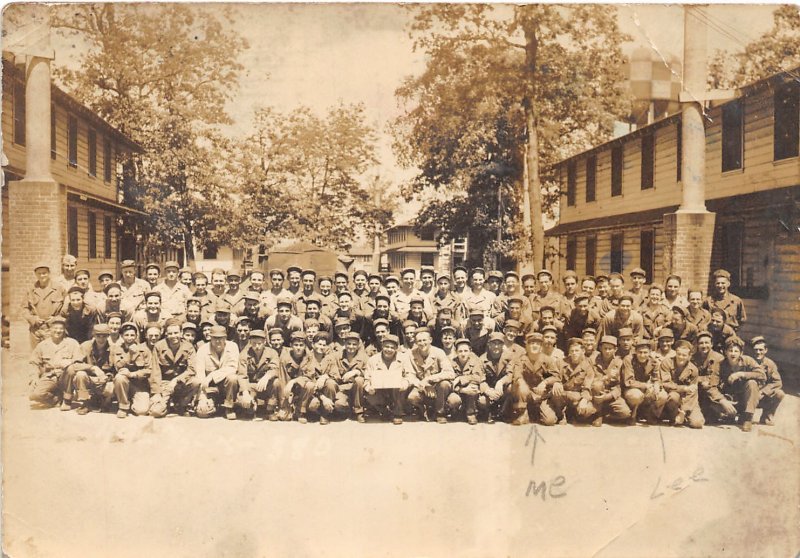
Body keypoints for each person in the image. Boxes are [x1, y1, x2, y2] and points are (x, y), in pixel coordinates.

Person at [149, 319, 200, 418]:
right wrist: (156, 392)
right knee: (156, 412)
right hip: (165, 383)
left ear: (181, 333)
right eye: (170, 333)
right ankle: (167, 405)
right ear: (166, 334)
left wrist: (176, 380)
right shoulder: (159, 346)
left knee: (196, 382)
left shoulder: (188, 347)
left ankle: (182, 404)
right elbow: (155, 371)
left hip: (181, 382)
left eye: (176, 333)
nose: (173, 336)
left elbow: (192, 369)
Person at [508, 332, 561, 426]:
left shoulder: (547, 359)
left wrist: (545, 382)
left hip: (542, 394)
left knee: (549, 421)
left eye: (538, 344)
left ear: (541, 346)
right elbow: (517, 374)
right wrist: (522, 383)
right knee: (519, 386)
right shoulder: (520, 359)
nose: (535, 346)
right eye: (532, 343)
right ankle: (523, 413)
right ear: (527, 345)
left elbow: (556, 376)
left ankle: (539, 412)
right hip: (526, 393)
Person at [405, 327, 456, 423]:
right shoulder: (410, 354)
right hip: (421, 385)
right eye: (419, 341)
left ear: (430, 340)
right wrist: (424, 385)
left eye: (424, 340)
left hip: (437, 386)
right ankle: (423, 409)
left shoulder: (439, 352)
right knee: (412, 397)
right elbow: (410, 375)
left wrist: (429, 379)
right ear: (415, 342)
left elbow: (450, 373)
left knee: (444, 384)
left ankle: (440, 412)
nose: (422, 343)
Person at [29, 316, 82, 408]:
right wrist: (34, 377)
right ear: (50, 329)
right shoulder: (42, 345)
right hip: (50, 376)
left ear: (64, 330)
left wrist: (70, 362)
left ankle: (68, 398)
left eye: (61, 328)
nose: (58, 331)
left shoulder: (72, 343)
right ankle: (57, 399)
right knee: (35, 395)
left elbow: (79, 361)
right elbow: (34, 363)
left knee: (71, 371)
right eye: (55, 328)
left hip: (67, 378)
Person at [230, 329, 282, 421]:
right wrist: (245, 392)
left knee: (276, 382)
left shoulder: (272, 353)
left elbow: (275, 369)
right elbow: (242, 375)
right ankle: (250, 408)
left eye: (259, 343)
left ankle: (270, 409)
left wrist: (266, 377)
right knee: (245, 404)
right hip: (250, 386)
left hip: (265, 385)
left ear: (265, 342)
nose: (257, 346)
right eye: (254, 343)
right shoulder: (244, 354)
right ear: (250, 342)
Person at [718, 336, 765, 432]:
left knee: (752, 383)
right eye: (730, 350)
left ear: (741, 353)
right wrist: (723, 400)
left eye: (736, 351)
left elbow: (762, 375)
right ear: (725, 352)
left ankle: (748, 418)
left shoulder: (748, 361)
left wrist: (741, 374)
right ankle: (729, 415)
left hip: (744, 398)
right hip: (729, 397)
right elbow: (713, 383)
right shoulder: (720, 364)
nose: (733, 354)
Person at [68, 323, 115, 414]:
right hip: (89, 379)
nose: (101, 339)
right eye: (98, 336)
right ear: (93, 335)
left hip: (104, 381)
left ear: (108, 336)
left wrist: (108, 377)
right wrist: (93, 368)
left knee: (113, 387)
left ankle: (103, 401)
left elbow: (116, 368)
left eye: (104, 336)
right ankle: (85, 403)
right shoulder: (85, 346)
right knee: (80, 375)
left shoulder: (113, 348)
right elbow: (75, 364)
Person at [195, 324, 241, 419]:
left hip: (227, 387)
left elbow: (232, 367)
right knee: (203, 412)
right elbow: (200, 375)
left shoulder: (232, 346)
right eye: (215, 338)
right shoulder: (202, 349)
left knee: (232, 377)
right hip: (210, 388)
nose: (218, 341)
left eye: (221, 338)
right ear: (210, 338)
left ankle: (229, 407)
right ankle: (214, 404)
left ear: (225, 338)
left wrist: (212, 375)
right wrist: (202, 398)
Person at [364, 334, 411, 425]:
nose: (389, 350)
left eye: (392, 347)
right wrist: (368, 387)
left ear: (397, 348)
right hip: (380, 390)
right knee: (371, 397)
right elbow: (367, 378)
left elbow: (409, 375)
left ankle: (397, 413)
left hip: (397, 390)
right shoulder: (373, 360)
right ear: (382, 346)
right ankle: (385, 411)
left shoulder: (404, 358)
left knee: (399, 386)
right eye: (386, 346)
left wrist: (405, 383)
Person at [656, 340, 704, 428]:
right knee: (673, 397)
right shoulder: (667, 363)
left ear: (689, 356)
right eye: (679, 354)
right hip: (673, 396)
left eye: (684, 355)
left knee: (697, 423)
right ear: (675, 353)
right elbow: (665, 383)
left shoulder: (693, 370)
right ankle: (673, 416)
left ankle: (682, 417)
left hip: (688, 400)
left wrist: (683, 412)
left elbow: (693, 392)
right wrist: (684, 388)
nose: (681, 357)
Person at [549, 337, 595, 425]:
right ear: (569, 352)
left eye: (577, 351)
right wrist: (556, 382)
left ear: (583, 352)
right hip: (563, 395)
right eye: (572, 351)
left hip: (578, 396)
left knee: (587, 410)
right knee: (555, 392)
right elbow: (554, 375)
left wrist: (584, 399)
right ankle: (561, 414)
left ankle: (574, 414)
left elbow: (587, 385)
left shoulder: (587, 365)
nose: (574, 353)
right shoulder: (561, 362)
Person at [111, 322, 153, 418]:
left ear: (136, 336)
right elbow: (118, 367)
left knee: (142, 411)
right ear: (121, 335)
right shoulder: (117, 349)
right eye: (126, 335)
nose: (129, 338)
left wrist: (132, 374)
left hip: (139, 384)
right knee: (119, 377)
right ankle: (123, 406)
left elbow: (149, 370)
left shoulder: (144, 350)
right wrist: (129, 355)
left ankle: (132, 401)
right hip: (123, 383)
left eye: (132, 335)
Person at [692, 331, 734, 423]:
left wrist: (722, 399)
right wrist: (702, 379)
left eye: (707, 343)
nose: (704, 345)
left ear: (711, 344)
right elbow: (691, 377)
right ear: (697, 345)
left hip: (716, 391)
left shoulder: (718, 358)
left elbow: (712, 381)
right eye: (701, 343)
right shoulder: (693, 358)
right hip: (700, 392)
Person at [588, 335, 631, 426]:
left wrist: (608, 396)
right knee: (597, 385)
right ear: (600, 348)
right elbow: (590, 380)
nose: (607, 351)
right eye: (605, 348)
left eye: (610, 349)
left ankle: (606, 416)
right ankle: (598, 414)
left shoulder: (619, 362)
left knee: (625, 413)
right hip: (596, 395)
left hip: (611, 395)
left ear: (615, 349)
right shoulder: (592, 360)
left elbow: (620, 386)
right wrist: (606, 377)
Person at [23, 262, 65, 350]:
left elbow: (66, 308)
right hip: (36, 330)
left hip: (53, 329)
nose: (42, 276)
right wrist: (33, 319)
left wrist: (56, 319)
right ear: (35, 274)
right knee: (36, 356)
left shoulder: (59, 288)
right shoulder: (30, 289)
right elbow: (25, 309)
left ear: (49, 273)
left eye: (44, 273)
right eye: (39, 273)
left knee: (53, 354)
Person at [621, 339, 664, 425]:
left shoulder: (653, 361)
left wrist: (656, 386)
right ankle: (633, 415)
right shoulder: (628, 360)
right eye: (640, 352)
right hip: (631, 388)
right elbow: (628, 381)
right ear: (635, 352)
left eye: (645, 352)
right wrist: (645, 386)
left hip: (646, 387)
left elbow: (656, 378)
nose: (642, 355)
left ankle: (650, 414)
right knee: (636, 395)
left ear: (650, 352)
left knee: (662, 395)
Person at [279, 331, 317, 423]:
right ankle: (289, 408)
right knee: (283, 417)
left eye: (301, 345)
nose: (298, 348)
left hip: (304, 390)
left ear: (305, 346)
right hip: (289, 389)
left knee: (311, 389)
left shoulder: (310, 357)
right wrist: (284, 404)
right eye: (296, 345)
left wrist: (294, 381)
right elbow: (282, 380)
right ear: (291, 345)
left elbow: (309, 376)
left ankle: (301, 411)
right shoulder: (284, 358)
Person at [332, 332, 369, 422]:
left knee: (359, 380)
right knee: (338, 404)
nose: (351, 347)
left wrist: (357, 371)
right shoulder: (337, 356)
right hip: (342, 388)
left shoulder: (364, 357)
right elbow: (333, 373)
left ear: (358, 345)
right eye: (349, 343)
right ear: (344, 344)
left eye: (354, 344)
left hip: (358, 391)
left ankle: (359, 412)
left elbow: (369, 372)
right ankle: (348, 410)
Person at [448, 338, 486, 425]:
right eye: (460, 351)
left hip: (472, 393)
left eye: (465, 351)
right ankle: (455, 411)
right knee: (453, 400)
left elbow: (477, 377)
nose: (463, 354)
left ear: (470, 351)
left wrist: (460, 379)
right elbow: (450, 381)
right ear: (456, 352)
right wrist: (461, 390)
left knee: (473, 387)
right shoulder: (452, 363)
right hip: (458, 391)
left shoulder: (476, 361)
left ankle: (471, 413)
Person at [480, 332, 514, 423]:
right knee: (482, 401)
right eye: (493, 343)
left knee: (511, 388)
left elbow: (510, 374)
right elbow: (480, 379)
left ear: (503, 345)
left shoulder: (509, 356)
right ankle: (489, 411)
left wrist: (501, 382)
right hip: (490, 392)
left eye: (499, 344)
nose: (496, 347)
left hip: (502, 389)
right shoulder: (482, 359)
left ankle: (504, 412)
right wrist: (487, 390)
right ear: (488, 344)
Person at [750, 336, 784, 426]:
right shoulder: (747, 361)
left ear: (766, 350)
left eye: (761, 350)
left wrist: (763, 392)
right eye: (755, 350)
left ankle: (766, 416)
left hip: (762, 397)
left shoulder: (770, 364)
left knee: (779, 393)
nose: (758, 352)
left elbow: (777, 382)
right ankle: (744, 416)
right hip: (748, 395)